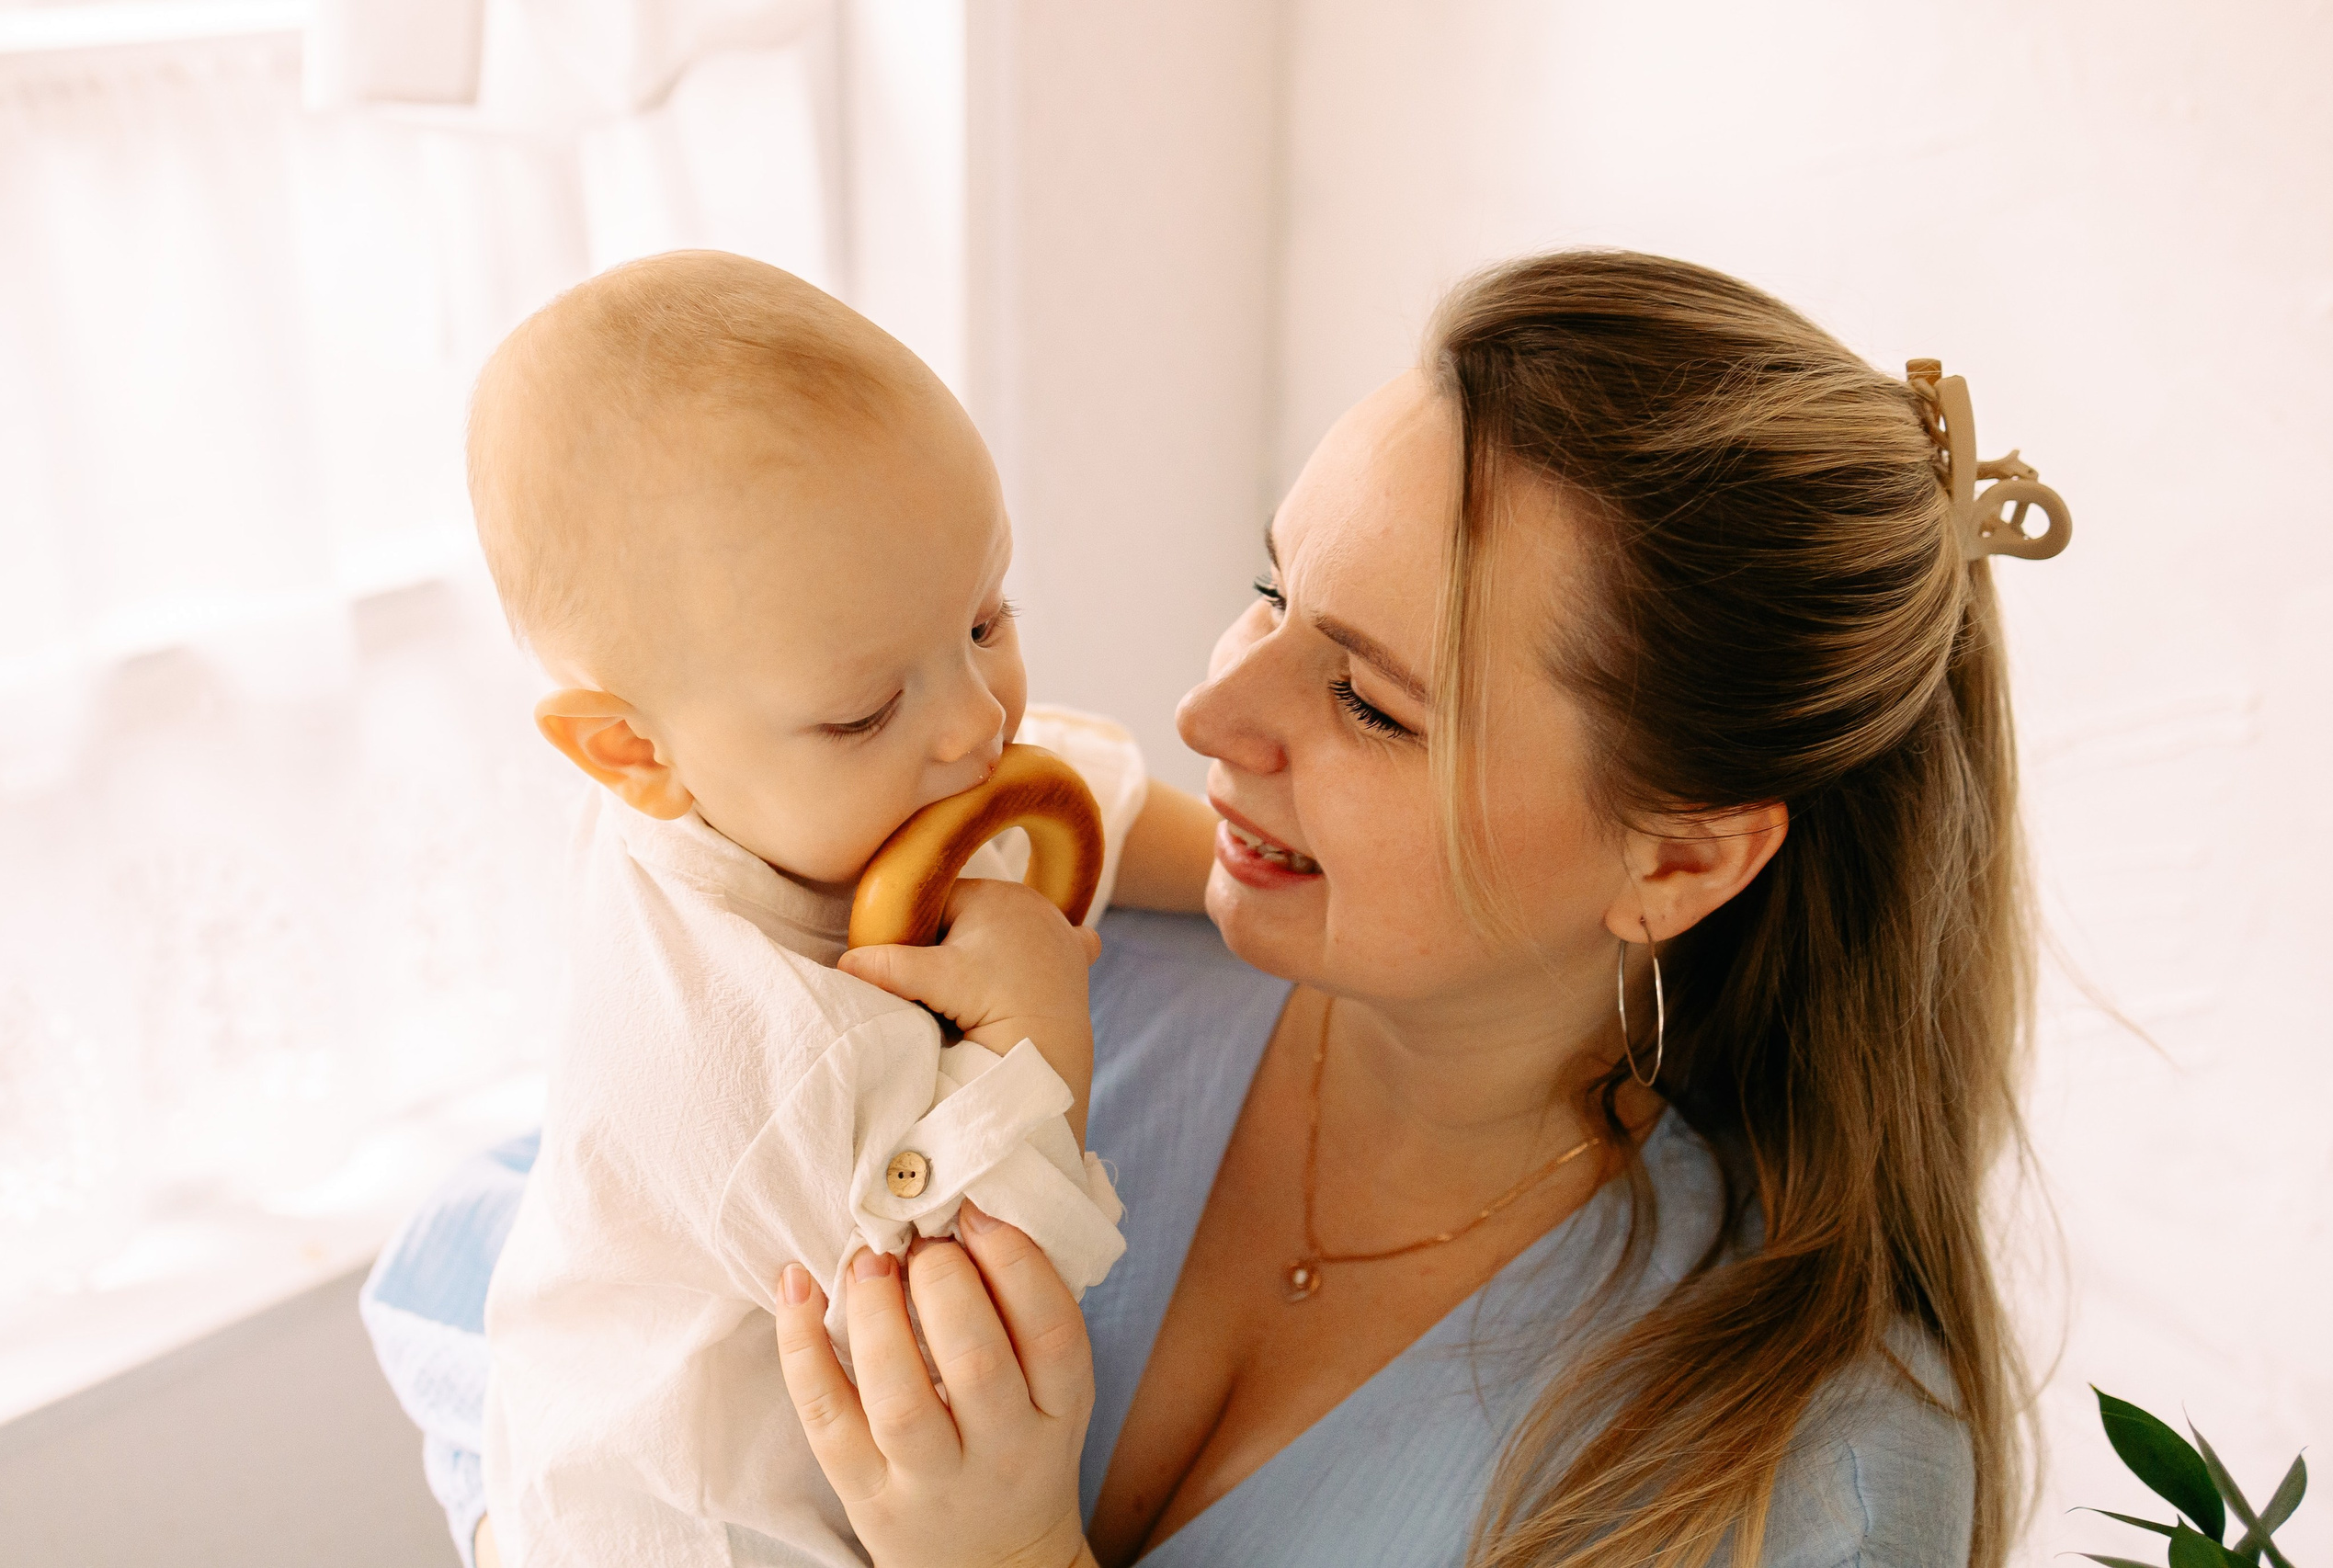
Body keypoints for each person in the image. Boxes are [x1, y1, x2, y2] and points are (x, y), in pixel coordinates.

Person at [366, 249, 2063, 1567]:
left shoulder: (1803, 1476)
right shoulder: (1029, 950)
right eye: (1272, 589)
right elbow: (490, 1270)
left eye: (1377, 705)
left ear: (1679, 858)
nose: (1209, 718)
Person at [450, 249, 1219, 1568]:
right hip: (689, 1528)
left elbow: (1070, 786)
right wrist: (1040, 1040)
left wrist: (1247, 873)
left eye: (988, 618)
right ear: (632, 755)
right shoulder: (751, 1048)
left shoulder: (797, 765)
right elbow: (966, 1319)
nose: (978, 722)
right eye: (868, 707)